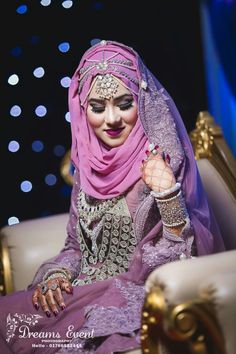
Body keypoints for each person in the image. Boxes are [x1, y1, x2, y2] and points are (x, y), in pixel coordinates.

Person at [0, 39, 225, 354]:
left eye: (124, 104)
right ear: (82, 109)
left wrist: (167, 194)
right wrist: (57, 274)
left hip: (135, 296)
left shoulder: (159, 162)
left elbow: (186, 258)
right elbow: (76, 247)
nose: (111, 119)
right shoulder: (88, 169)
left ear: (141, 102)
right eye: (97, 107)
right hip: (82, 293)